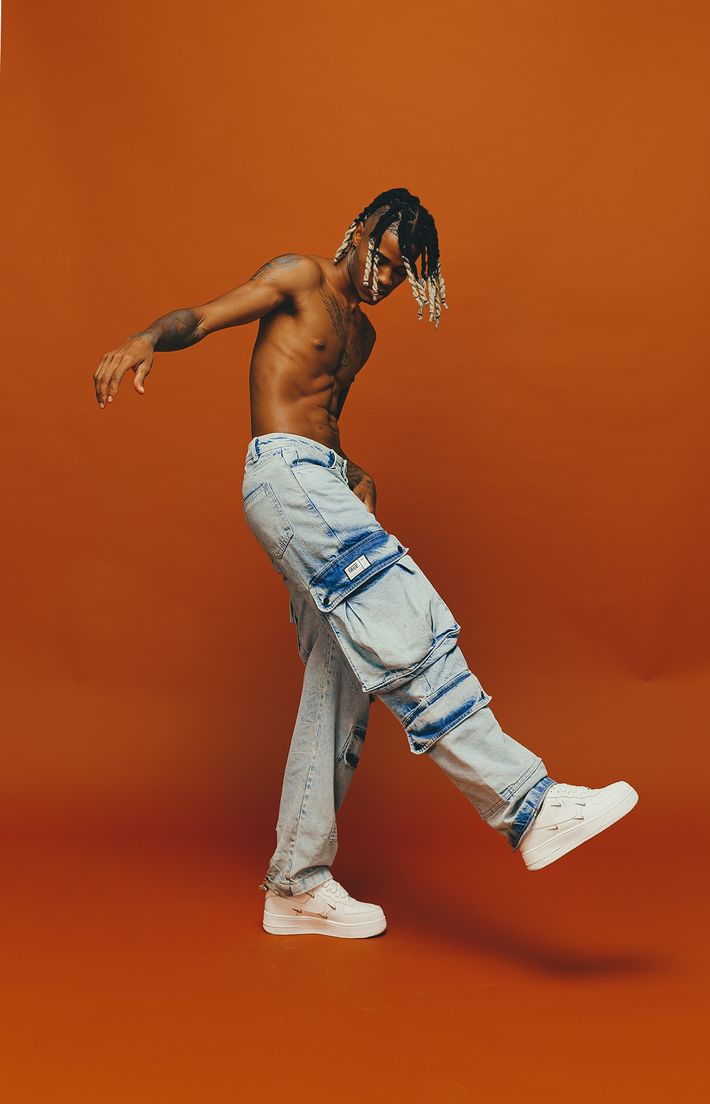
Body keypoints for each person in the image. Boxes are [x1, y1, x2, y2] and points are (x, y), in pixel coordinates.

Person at [93, 187, 638, 939]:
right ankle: (527, 803)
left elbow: (323, 417)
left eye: (402, 275)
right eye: (381, 260)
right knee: (397, 609)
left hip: (317, 479)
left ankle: (295, 884)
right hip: (281, 477)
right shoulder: (299, 278)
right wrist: (146, 336)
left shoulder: (365, 337)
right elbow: (206, 316)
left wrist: (352, 473)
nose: (384, 280)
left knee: (344, 676)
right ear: (357, 234)